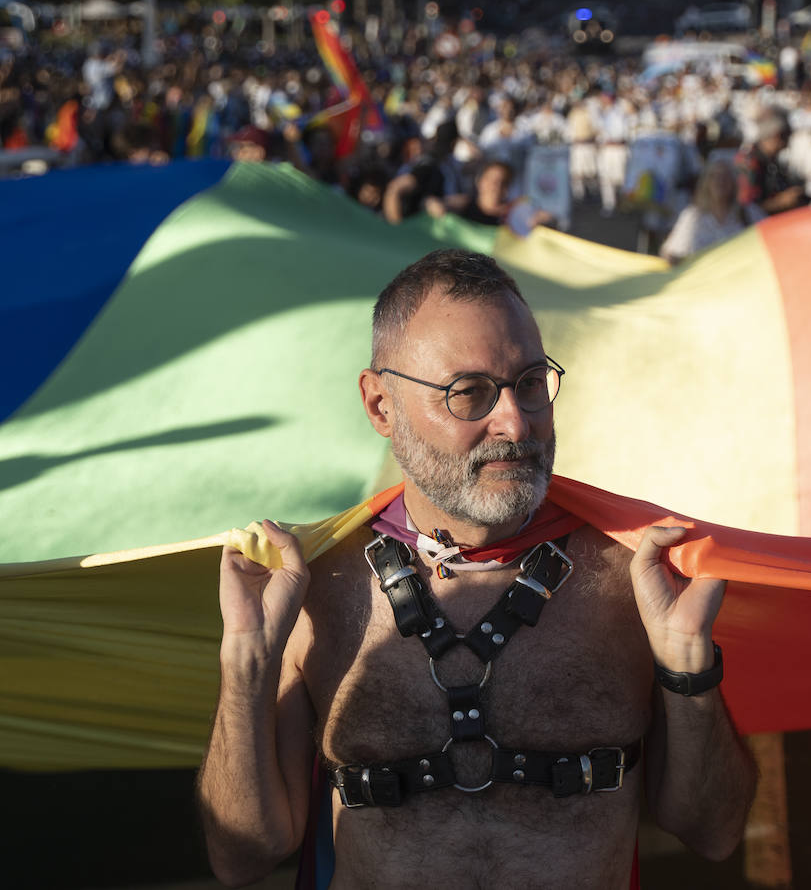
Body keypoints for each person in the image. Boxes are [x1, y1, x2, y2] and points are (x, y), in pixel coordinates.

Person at [197, 251, 757, 887]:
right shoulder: (318, 589)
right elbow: (240, 859)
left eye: (528, 383)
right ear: (381, 405)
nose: (515, 422)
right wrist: (246, 664)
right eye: (470, 393)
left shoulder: (634, 578)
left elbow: (714, 834)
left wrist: (688, 667)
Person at [659, 159, 748, 263]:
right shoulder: (692, 216)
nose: (720, 181)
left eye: (726, 176)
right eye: (714, 176)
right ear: (706, 182)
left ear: (733, 183)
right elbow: (670, 252)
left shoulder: (748, 214)